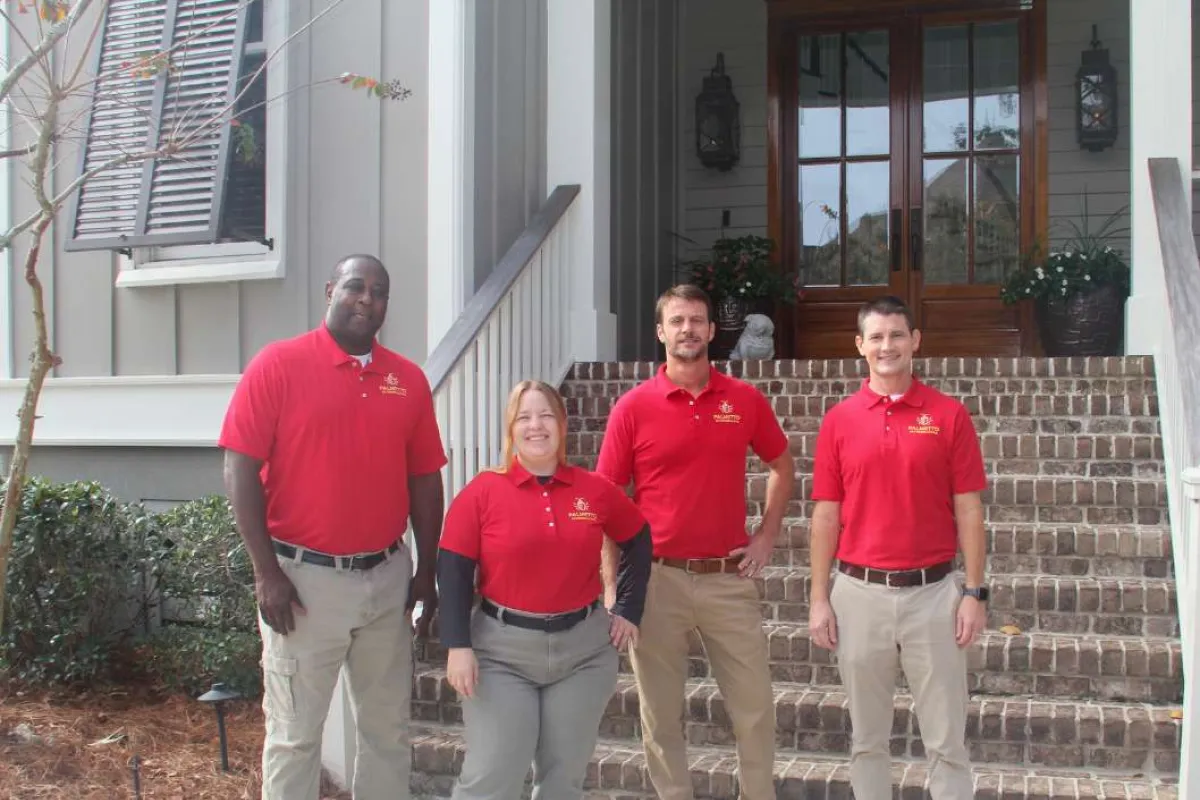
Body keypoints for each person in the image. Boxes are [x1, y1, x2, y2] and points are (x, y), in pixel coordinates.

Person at [219, 254, 447, 800]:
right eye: (355, 286)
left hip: (388, 577)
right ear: (329, 291)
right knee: (296, 736)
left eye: (379, 291)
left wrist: (426, 572)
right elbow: (239, 468)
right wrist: (266, 572)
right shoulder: (278, 365)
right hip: (302, 585)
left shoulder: (407, 380)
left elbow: (425, 481)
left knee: (387, 733)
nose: (367, 298)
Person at [596, 284, 795, 800]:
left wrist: (765, 537)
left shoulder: (744, 400)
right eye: (678, 321)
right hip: (655, 579)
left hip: (727, 580)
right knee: (661, 716)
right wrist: (613, 587)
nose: (688, 330)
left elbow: (781, 465)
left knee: (754, 710)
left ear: (712, 330)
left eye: (697, 321)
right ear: (661, 332)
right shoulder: (633, 408)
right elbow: (609, 500)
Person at [808, 295, 989, 800]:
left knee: (947, 740)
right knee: (867, 741)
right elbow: (826, 515)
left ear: (915, 342)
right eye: (877, 337)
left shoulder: (948, 416)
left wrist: (974, 592)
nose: (887, 346)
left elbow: (970, 510)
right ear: (860, 346)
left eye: (897, 335)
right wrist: (820, 596)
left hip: (934, 596)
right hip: (858, 594)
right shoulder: (839, 421)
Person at [436, 380, 652, 800]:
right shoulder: (483, 492)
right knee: (493, 773)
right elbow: (454, 570)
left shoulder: (593, 490)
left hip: (583, 654)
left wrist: (628, 606)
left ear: (564, 425)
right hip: (501, 655)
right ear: (511, 429)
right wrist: (457, 645)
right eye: (524, 416)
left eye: (546, 415)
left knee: (563, 779)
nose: (536, 426)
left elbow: (638, 537)